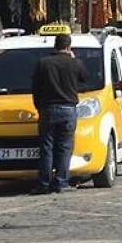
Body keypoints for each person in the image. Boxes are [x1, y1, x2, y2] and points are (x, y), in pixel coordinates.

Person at [31, 34, 90, 194]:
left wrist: (39, 107)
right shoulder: (74, 63)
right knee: (65, 147)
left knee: (46, 148)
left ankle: (44, 183)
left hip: (48, 109)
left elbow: (35, 88)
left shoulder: (43, 63)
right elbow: (86, 78)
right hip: (68, 109)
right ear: (68, 47)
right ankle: (61, 182)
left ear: (55, 45)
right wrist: (74, 59)